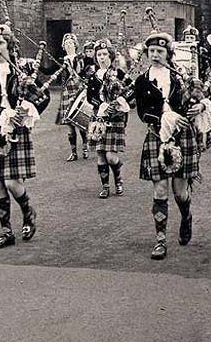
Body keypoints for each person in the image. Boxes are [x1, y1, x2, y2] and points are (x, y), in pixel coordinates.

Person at [0, 25, 49, 249]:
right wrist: (0, 115)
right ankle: (6, 231)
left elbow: (42, 98)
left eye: (0, 43)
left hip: (18, 129)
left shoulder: (22, 69)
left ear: (9, 45)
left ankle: (28, 212)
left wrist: (27, 110)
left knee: (11, 182)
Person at [134, 32, 203, 260]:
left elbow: (202, 96)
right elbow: (142, 112)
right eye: (151, 51)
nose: (155, 55)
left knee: (180, 192)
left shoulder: (180, 77)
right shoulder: (142, 81)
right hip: (157, 137)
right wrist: (164, 119)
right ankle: (161, 241)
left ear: (168, 54)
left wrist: (199, 107)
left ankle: (186, 217)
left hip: (182, 137)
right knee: (160, 189)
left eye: (160, 51)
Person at [86, 39, 130, 198]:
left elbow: (130, 92)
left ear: (111, 56)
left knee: (111, 156)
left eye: (105, 54)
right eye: (99, 54)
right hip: (98, 116)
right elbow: (90, 97)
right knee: (100, 154)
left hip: (115, 116)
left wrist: (119, 102)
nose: (102, 57)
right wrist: (101, 105)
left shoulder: (119, 74)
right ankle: (105, 186)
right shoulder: (93, 76)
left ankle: (118, 179)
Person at [55, 33, 89, 161]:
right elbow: (50, 71)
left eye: (71, 42)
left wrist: (71, 66)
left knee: (80, 121)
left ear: (75, 45)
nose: (69, 44)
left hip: (78, 90)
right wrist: (38, 66)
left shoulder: (80, 58)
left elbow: (81, 72)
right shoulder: (61, 60)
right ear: (64, 46)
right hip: (66, 92)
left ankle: (85, 148)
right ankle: (73, 152)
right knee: (70, 124)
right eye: (66, 43)